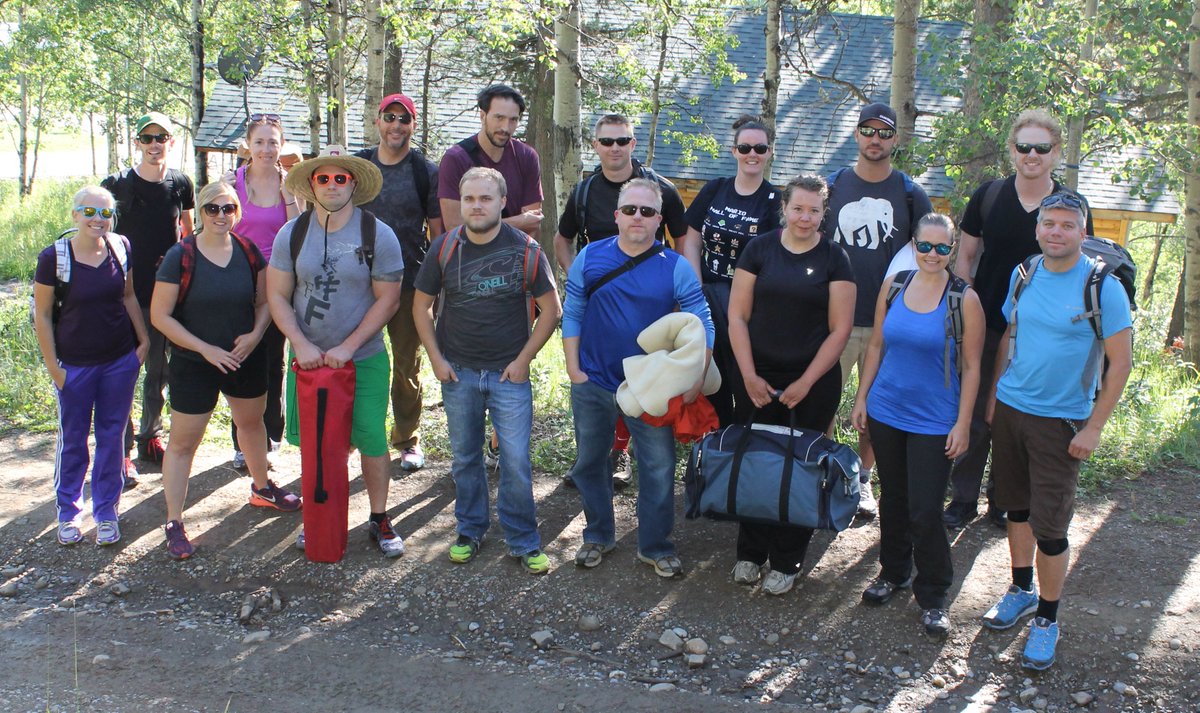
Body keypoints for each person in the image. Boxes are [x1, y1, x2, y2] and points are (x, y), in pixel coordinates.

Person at [980, 192, 1131, 670]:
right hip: (1011, 409)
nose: (1056, 232)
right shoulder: (1024, 275)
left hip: (1062, 421)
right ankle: (1021, 589)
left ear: (1082, 232)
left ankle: (1047, 618)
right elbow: (1010, 333)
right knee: (1016, 509)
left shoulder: (1102, 286)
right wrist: (993, 396)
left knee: (1051, 526)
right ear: (1038, 228)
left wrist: (1095, 428)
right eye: (1049, 223)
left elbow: (1121, 362)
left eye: (1067, 225)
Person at [945, 109, 1095, 530]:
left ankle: (1004, 501)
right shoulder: (989, 195)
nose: (1032, 154)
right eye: (1024, 146)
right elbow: (966, 258)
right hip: (988, 323)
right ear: (1012, 150)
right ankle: (962, 498)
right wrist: (963, 309)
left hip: (1044, 335)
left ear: (1056, 153)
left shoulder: (1069, 206)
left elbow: (1084, 267)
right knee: (975, 412)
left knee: (1015, 419)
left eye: (1041, 147)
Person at [562, 178, 713, 579]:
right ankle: (597, 535)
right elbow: (573, 309)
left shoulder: (675, 266)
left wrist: (697, 374)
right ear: (616, 215)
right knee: (590, 462)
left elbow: (703, 321)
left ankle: (656, 546)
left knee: (658, 467)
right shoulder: (590, 256)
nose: (637, 218)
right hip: (593, 379)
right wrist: (573, 368)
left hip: (650, 388)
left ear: (659, 219)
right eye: (630, 210)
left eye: (647, 212)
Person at [413, 167, 561, 573]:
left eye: (485, 199)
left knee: (515, 460)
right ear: (461, 204)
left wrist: (524, 360)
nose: (476, 206)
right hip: (458, 372)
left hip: (508, 375)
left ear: (501, 202)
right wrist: (436, 359)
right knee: (464, 458)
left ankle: (524, 540)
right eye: (469, 199)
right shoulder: (444, 247)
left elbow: (552, 310)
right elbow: (420, 306)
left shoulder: (527, 250)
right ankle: (470, 529)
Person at [267, 146, 407, 558]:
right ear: (311, 185)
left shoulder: (377, 234)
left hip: (362, 359)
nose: (331, 185)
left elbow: (389, 300)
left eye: (339, 178)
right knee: (315, 444)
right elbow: (276, 295)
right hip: (308, 363)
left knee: (371, 439)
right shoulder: (291, 233)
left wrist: (348, 347)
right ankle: (320, 519)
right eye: (322, 178)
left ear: (353, 184)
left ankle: (379, 518)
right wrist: (301, 343)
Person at [151, 182, 301, 559]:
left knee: (252, 424)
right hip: (193, 363)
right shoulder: (180, 255)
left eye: (229, 208)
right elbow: (160, 315)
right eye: (212, 209)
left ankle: (262, 487)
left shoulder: (249, 252)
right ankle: (174, 521)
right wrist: (204, 348)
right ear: (200, 212)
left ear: (238, 212)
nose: (221, 216)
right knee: (184, 442)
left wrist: (254, 335)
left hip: (243, 358)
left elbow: (267, 302)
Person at [850, 213, 984, 634]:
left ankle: (934, 594)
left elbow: (973, 367)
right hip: (887, 411)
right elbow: (875, 345)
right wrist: (861, 397)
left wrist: (963, 424)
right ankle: (893, 573)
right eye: (924, 246)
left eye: (942, 248)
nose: (932, 254)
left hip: (934, 419)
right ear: (913, 245)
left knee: (925, 510)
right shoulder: (894, 287)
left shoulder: (964, 300)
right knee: (893, 500)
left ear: (952, 249)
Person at [726, 174, 855, 596]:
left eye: (814, 210)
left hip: (812, 382)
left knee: (802, 468)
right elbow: (737, 317)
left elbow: (840, 330)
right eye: (798, 208)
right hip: (757, 376)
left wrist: (806, 381)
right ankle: (750, 552)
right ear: (784, 208)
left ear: (824, 213)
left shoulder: (836, 258)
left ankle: (787, 558)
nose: (805, 217)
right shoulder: (758, 249)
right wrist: (747, 375)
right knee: (755, 462)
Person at [554, 112, 689, 486]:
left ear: (633, 143)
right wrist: (576, 278)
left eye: (623, 140)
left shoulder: (660, 189)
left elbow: (683, 235)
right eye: (607, 141)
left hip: (650, 304)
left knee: (640, 378)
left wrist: (683, 286)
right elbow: (562, 239)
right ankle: (594, 460)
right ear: (595, 145)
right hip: (597, 307)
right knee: (597, 379)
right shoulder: (583, 192)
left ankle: (623, 454)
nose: (615, 148)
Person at [823, 101, 932, 520]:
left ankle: (863, 478)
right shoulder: (833, 186)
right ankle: (829, 474)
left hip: (891, 322)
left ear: (895, 140)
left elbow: (931, 254)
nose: (875, 139)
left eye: (884, 133)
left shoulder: (909, 194)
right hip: (835, 321)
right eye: (868, 131)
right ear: (856, 135)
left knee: (878, 407)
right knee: (825, 402)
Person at [32, 187, 148, 547]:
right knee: (74, 440)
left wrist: (142, 342)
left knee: (113, 439)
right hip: (74, 366)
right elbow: (43, 313)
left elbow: (128, 295)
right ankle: (68, 512)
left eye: (105, 213)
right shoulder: (55, 257)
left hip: (118, 361)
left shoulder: (121, 248)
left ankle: (106, 511)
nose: (98, 219)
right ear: (75, 215)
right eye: (89, 211)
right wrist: (54, 367)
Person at [102, 112, 195, 481]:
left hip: (164, 293)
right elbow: (101, 234)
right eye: (147, 138)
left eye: (162, 138)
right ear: (137, 142)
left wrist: (181, 268)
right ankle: (119, 452)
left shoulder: (179, 184)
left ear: (171, 142)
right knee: (124, 371)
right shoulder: (117, 184)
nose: (155, 144)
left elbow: (188, 234)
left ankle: (149, 437)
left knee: (158, 368)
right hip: (124, 293)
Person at [356, 92, 443, 471]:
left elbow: (438, 232)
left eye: (403, 119)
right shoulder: (357, 166)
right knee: (357, 361)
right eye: (389, 117)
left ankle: (407, 439)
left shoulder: (425, 171)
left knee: (407, 365)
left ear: (412, 125)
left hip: (409, 282)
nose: (395, 125)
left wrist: (437, 286)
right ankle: (358, 436)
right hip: (358, 283)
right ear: (378, 121)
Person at [678, 114, 781, 426]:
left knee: (744, 376)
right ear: (734, 150)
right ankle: (715, 446)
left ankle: (745, 447)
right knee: (713, 376)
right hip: (707, 297)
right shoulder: (715, 189)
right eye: (745, 147)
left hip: (750, 306)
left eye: (760, 148)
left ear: (769, 152)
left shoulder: (775, 200)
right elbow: (692, 242)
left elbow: (775, 260)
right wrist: (695, 293)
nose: (752, 154)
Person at [224, 112, 303, 471]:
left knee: (273, 360)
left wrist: (289, 194)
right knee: (240, 357)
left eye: (273, 142)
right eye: (260, 142)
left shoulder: (290, 183)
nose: (267, 149)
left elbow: (296, 232)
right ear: (248, 145)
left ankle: (271, 436)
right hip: (239, 279)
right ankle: (241, 440)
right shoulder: (232, 182)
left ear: (281, 145)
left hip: (278, 282)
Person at [438, 84, 543, 235]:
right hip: (468, 256)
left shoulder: (527, 157)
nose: (505, 128)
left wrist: (479, 226)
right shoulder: (455, 159)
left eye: (513, 120)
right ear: (482, 116)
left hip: (515, 254)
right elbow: (454, 228)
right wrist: (517, 221)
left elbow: (532, 224)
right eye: (499, 118)